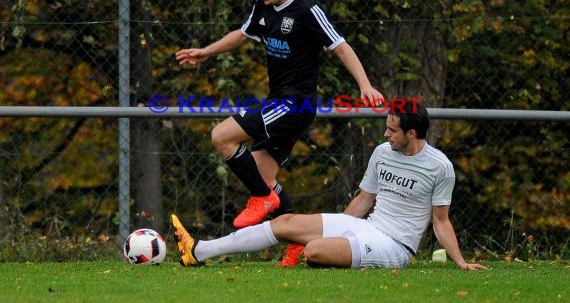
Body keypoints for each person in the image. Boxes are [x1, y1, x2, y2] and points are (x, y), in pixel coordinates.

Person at [175, 0, 383, 266]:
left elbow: (341, 46)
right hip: (278, 102)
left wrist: (365, 85)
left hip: (294, 104)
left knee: (222, 136)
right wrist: (206, 51)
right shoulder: (264, 6)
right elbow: (242, 35)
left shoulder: (307, 11)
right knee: (262, 174)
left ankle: (262, 198)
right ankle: (300, 240)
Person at [171, 101, 488, 270]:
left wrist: (459, 262)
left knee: (314, 251)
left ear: (412, 134)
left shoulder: (439, 166)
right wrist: (342, 225)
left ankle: (324, 249)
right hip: (367, 228)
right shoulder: (382, 153)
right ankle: (199, 250)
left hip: (395, 246)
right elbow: (365, 199)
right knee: (284, 222)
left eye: (392, 131)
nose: (385, 135)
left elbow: (440, 220)